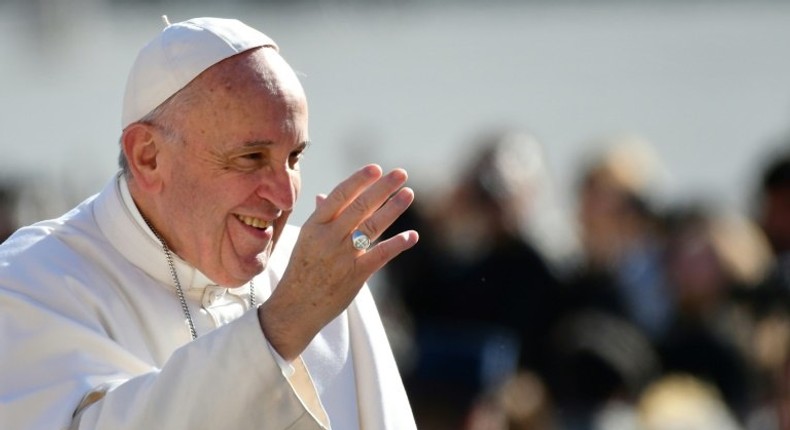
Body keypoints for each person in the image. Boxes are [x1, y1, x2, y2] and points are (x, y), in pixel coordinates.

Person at [0, 16, 419, 430]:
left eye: (294, 159)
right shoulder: (30, 282)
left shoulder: (323, 276)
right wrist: (282, 325)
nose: (286, 196)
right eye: (251, 158)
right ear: (148, 156)